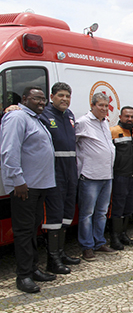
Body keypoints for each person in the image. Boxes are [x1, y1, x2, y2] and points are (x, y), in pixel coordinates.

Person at [1, 86, 57, 293]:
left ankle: (33, 268)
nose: (41, 102)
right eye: (36, 99)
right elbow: (9, 150)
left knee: (33, 229)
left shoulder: (35, 119)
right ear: (24, 99)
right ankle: (23, 276)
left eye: (43, 99)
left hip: (39, 184)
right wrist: (18, 180)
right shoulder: (17, 117)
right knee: (24, 232)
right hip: (25, 187)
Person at [38, 82, 81, 274]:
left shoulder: (69, 115)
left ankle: (61, 253)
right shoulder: (44, 115)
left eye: (68, 96)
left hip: (70, 170)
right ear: (52, 96)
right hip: (54, 172)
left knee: (67, 213)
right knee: (54, 216)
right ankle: (52, 259)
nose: (65, 99)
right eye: (61, 95)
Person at [75, 92, 117, 261]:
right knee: (87, 214)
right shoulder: (83, 122)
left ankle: (99, 242)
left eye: (106, 106)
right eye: (101, 105)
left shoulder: (105, 122)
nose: (104, 109)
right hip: (90, 176)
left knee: (101, 212)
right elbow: (72, 143)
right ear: (92, 105)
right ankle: (87, 246)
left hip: (107, 175)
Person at [110, 106, 133, 249]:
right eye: (127, 116)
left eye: (132, 117)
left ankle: (123, 235)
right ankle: (115, 238)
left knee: (128, 207)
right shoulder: (114, 131)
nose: (129, 119)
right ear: (120, 117)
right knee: (118, 207)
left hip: (132, 176)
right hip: (120, 176)